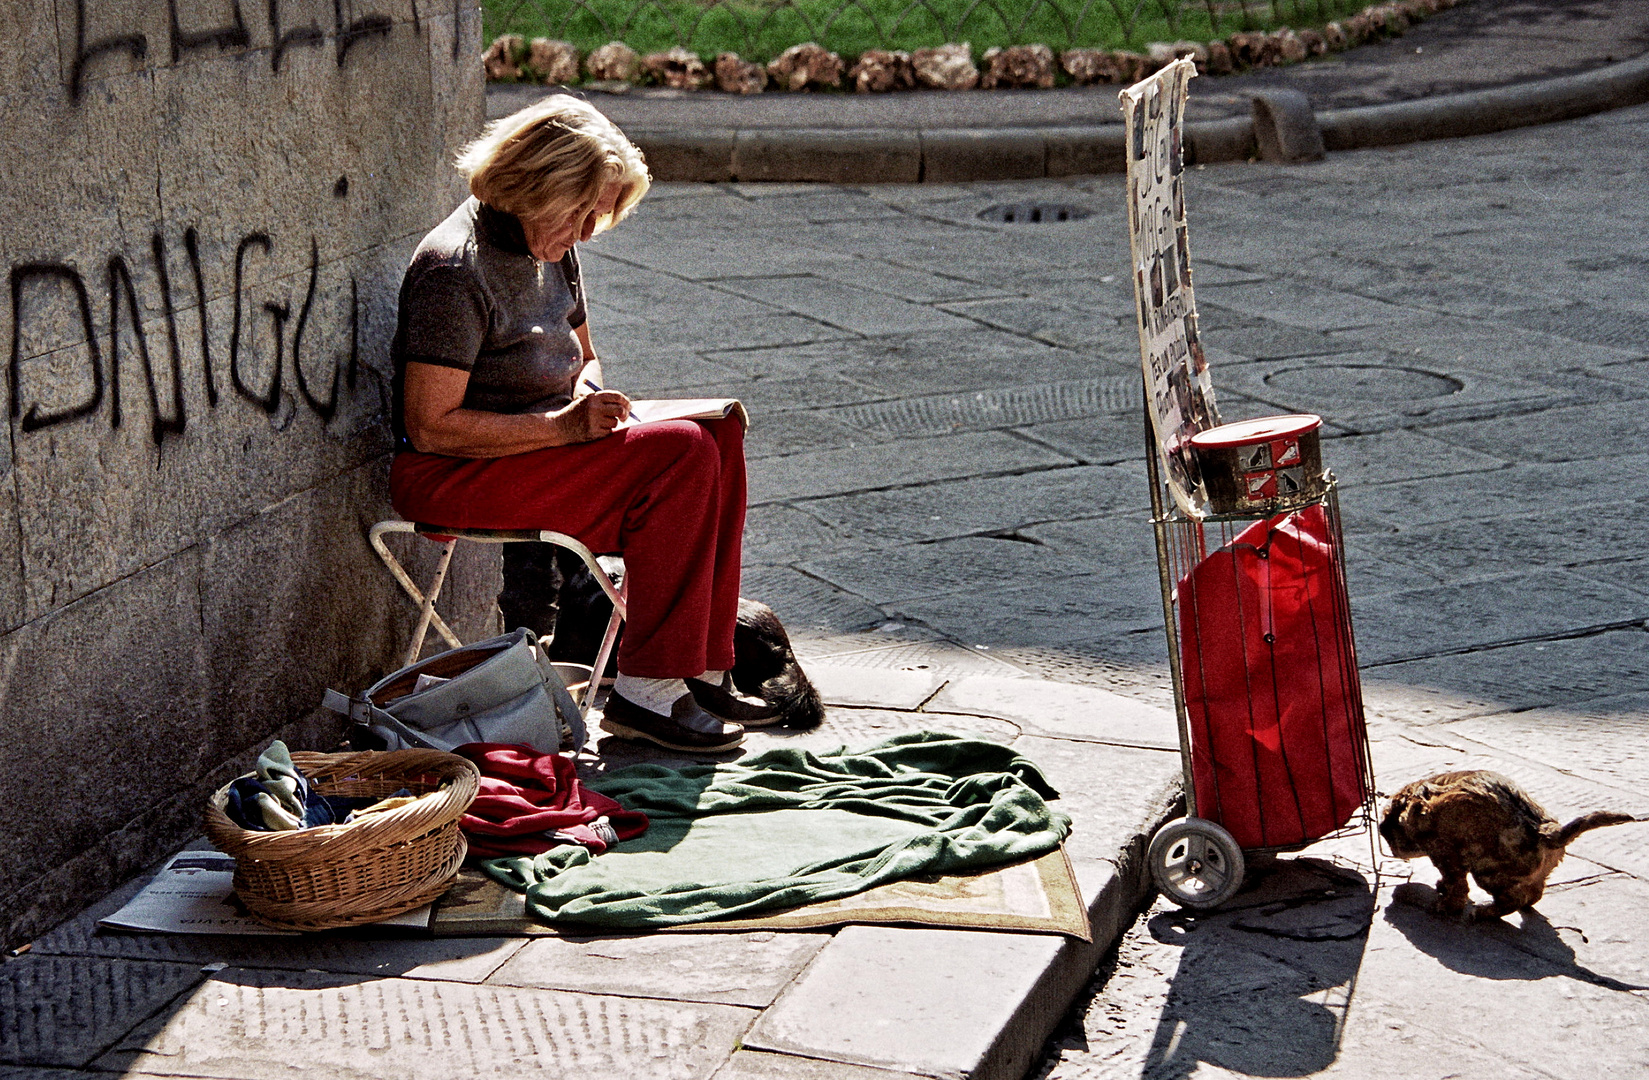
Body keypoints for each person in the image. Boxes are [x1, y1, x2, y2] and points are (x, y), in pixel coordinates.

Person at [388, 95, 774, 754]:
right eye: (582, 209)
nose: (590, 229)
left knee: (718, 433)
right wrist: (565, 429)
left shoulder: (551, 243)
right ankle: (644, 689)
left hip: (539, 446)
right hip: (455, 472)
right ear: (532, 186)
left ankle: (700, 667)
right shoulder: (455, 270)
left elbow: (583, 356)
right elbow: (431, 428)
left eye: (601, 212)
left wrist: (593, 402)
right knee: (679, 452)